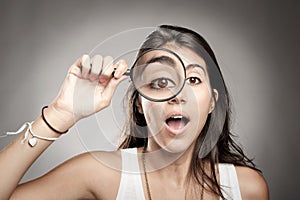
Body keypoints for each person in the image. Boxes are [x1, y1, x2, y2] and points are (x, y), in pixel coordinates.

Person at [0, 25, 269, 199]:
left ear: (211, 102)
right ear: (140, 102)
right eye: (161, 82)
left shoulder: (247, 189)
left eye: (194, 80)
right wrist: (60, 113)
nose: (178, 95)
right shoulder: (99, 173)